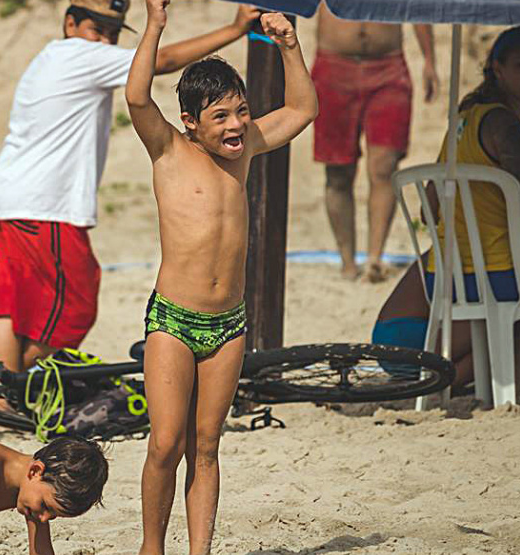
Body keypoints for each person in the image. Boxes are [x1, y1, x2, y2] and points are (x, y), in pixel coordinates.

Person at [0, 0, 264, 374]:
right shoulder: (80, 55)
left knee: (8, 302)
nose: (105, 42)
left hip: (5, 195)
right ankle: (10, 380)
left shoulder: (51, 58)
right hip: (45, 203)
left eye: (112, 34)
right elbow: (159, 64)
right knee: (77, 306)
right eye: (96, 30)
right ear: (70, 24)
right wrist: (234, 29)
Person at [126, 2, 317, 553]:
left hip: (228, 324)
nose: (235, 126)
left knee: (206, 445)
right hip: (172, 321)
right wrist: (155, 26)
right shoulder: (166, 149)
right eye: (220, 117)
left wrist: (288, 45)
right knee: (166, 444)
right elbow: (137, 96)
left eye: (240, 112)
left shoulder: (249, 144)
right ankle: (151, 546)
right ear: (190, 122)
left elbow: (304, 107)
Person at [372, 27, 520, 402]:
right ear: (496, 68)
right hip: (489, 282)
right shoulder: (507, 127)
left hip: (431, 290)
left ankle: (516, 383)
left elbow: (427, 207)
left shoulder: (463, 120)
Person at [313, 2, 439, 282]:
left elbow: (415, 9)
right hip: (334, 66)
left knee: (384, 166)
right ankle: (347, 261)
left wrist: (430, 60)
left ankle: (375, 258)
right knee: (338, 172)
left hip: (388, 68)